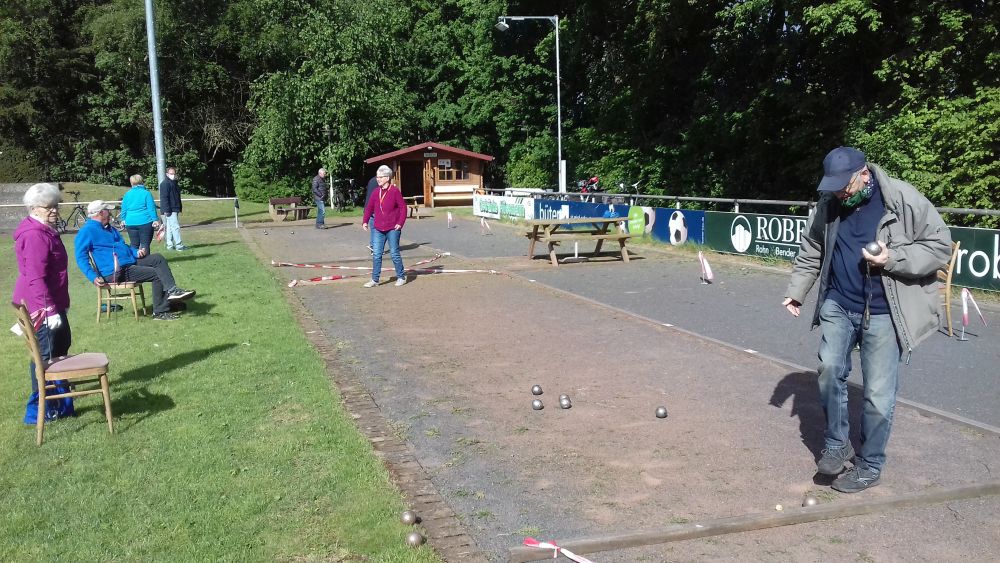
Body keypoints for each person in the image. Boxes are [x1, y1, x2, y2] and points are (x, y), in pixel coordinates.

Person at [783, 147, 951, 493]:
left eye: (844, 186)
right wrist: (797, 289)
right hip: (839, 302)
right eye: (834, 187)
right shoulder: (830, 202)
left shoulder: (903, 199)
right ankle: (836, 443)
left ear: (864, 174)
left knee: (877, 393)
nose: (840, 193)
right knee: (829, 369)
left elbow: (939, 248)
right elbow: (813, 246)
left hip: (885, 311)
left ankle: (869, 464)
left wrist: (893, 258)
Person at [11, 183, 76, 424]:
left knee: (59, 350)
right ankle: (42, 408)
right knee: (45, 357)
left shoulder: (44, 230)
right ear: (33, 208)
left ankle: (60, 401)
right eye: (48, 207)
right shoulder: (34, 234)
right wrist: (47, 310)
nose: (54, 211)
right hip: (42, 305)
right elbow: (35, 276)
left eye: (56, 205)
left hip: (52, 302)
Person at [75, 200, 196, 321]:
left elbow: (123, 246)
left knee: (157, 258)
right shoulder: (86, 231)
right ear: (101, 213)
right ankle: (160, 312)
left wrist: (136, 252)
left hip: (128, 263)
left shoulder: (109, 229)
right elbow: (81, 257)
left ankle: (172, 291)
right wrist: (92, 276)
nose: (110, 213)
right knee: (157, 274)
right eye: (108, 210)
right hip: (114, 272)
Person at [361, 170, 407, 287]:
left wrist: (400, 223)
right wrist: (365, 221)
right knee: (376, 254)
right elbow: (369, 207)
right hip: (377, 228)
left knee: (394, 253)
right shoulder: (376, 192)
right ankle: (375, 280)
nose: (378, 179)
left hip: (392, 228)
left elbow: (403, 208)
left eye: (380, 177)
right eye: (377, 177)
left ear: (387, 178)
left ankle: (401, 276)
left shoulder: (395, 191)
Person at [120, 174, 161, 254]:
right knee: (145, 244)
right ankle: (146, 262)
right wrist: (155, 220)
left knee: (134, 244)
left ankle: (134, 261)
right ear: (141, 181)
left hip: (130, 222)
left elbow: (124, 208)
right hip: (145, 221)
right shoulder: (146, 193)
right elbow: (151, 208)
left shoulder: (127, 194)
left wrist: (123, 219)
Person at [159, 166, 186, 250]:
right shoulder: (165, 184)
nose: (173, 175)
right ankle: (179, 245)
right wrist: (166, 210)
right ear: (167, 174)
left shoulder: (174, 183)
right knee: (175, 227)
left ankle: (170, 245)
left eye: (174, 174)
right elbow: (164, 198)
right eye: (171, 174)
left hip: (174, 208)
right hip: (170, 209)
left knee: (170, 227)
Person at [364, 166, 390, 254]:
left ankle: (373, 246)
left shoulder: (371, 180)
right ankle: (377, 248)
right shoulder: (380, 183)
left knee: (374, 230)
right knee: (381, 230)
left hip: (369, 208)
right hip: (376, 210)